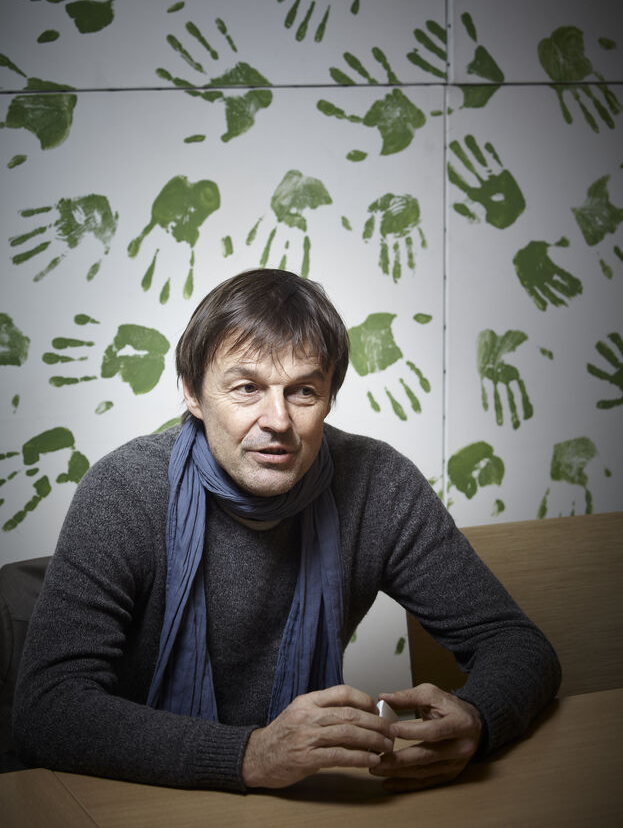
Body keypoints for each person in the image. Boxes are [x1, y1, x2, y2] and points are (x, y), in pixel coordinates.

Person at [13, 269, 560, 793]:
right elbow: (47, 708)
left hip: (301, 797)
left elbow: (518, 645)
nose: (277, 420)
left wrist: (480, 719)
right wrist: (251, 755)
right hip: (127, 796)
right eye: (247, 388)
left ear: (329, 398)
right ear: (193, 393)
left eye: (302, 392)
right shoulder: (125, 490)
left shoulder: (377, 483)